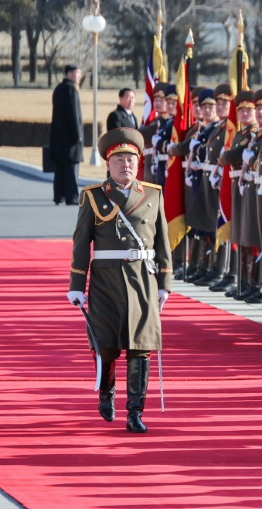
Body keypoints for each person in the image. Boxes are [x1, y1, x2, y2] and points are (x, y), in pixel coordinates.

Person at [66, 127, 172, 433]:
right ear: (108, 164)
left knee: (141, 346)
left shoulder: (153, 194)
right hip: (106, 282)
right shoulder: (93, 196)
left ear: (138, 162)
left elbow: (163, 243)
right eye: (119, 160)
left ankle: (135, 411)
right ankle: (107, 391)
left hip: (143, 280)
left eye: (131, 159)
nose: (126, 165)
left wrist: (164, 283)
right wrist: (76, 286)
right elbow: (81, 243)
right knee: (107, 345)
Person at [50, 64, 83, 205]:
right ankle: (72, 197)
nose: (78, 76)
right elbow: (74, 115)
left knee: (60, 169)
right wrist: (78, 136)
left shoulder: (58, 89)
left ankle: (59, 196)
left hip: (58, 137)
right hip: (70, 138)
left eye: (79, 74)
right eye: (76, 73)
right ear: (68, 74)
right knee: (71, 168)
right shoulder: (71, 90)